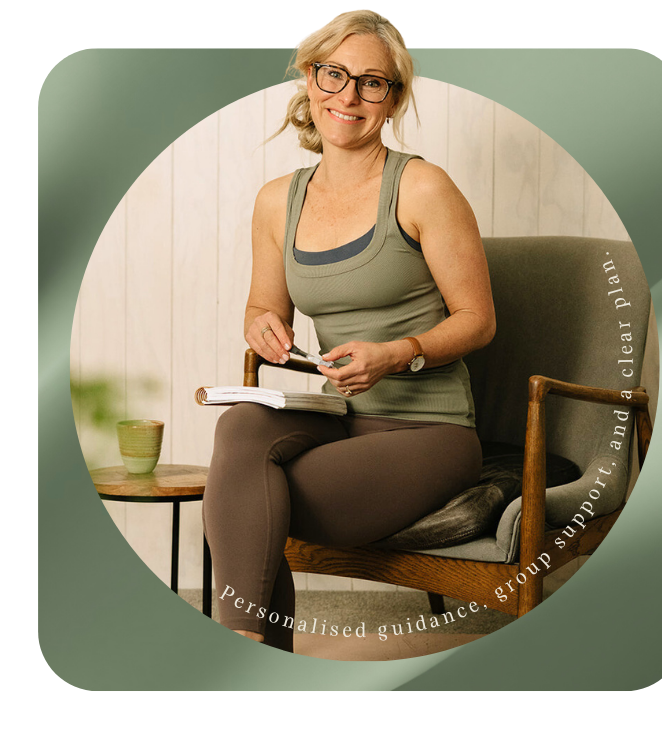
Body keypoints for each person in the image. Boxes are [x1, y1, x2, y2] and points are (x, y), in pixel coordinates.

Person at [202, 9, 495, 653]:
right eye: (334, 74)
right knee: (241, 429)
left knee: (249, 499)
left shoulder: (422, 187)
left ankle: (243, 657)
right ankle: (251, 645)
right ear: (311, 78)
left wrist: (396, 354)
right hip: (339, 416)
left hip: (430, 432)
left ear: (392, 99)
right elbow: (261, 307)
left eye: (372, 82)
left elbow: (479, 321)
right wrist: (262, 327)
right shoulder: (277, 200)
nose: (350, 95)